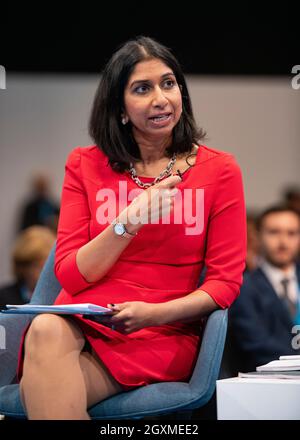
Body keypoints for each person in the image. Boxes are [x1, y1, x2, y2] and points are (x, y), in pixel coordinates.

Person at [17, 36, 247, 420]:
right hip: (83, 324)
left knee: (43, 389)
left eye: (168, 83)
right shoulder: (84, 164)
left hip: (161, 331)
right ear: (120, 108)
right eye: (142, 88)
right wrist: (129, 220)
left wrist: (153, 314)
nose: (161, 98)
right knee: (45, 329)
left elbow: (224, 284)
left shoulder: (220, 171)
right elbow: (71, 272)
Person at [228, 205, 300, 373]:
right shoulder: (243, 287)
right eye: (274, 232)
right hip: (267, 381)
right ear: (258, 236)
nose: (283, 242)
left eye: (292, 233)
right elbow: (256, 344)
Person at [0, 226, 56, 308]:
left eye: (48, 267)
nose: (45, 273)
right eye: (38, 266)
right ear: (23, 267)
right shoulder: (4, 298)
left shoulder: (59, 299)